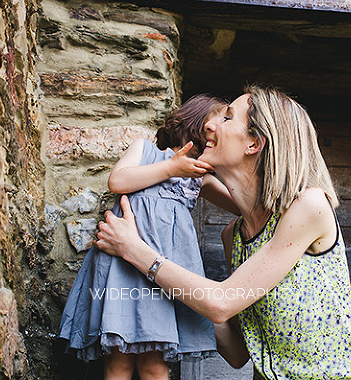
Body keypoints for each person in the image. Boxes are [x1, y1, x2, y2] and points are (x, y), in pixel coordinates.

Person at [95, 85, 351, 380]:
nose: (209, 124)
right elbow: (238, 352)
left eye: (228, 117)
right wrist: (169, 284)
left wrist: (134, 249)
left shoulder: (308, 206)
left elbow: (221, 303)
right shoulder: (235, 236)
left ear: (254, 143)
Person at [58, 94, 240, 380]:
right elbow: (118, 181)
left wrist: (229, 166)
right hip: (122, 270)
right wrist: (172, 168)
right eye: (223, 116)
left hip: (160, 275)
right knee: (117, 364)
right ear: (199, 119)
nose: (225, 124)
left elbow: (242, 204)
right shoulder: (145, 151)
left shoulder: (200, 177)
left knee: (154, 366)